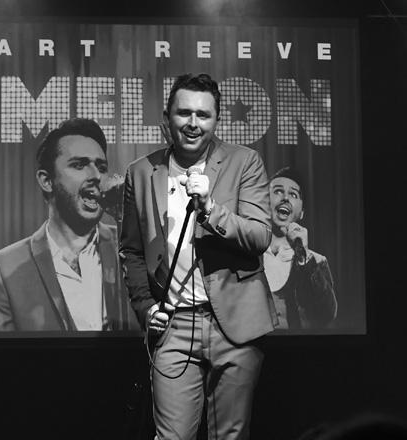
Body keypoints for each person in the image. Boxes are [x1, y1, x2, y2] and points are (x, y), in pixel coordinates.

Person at [119, 73, 277, 439]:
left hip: (235, 324)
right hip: (174, 326)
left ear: (216, 120)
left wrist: (209, 209)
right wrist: (145, 307)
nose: (193, 123)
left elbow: (260, 236)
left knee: (230, 435)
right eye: (184, 113)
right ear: (167, 118)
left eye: (203, 115)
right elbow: (132, 250)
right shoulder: (140, 173)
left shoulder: (244, 162)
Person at [0, 118, 139, 331]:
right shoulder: (5, 267)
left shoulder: (132, 247)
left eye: (101, 167)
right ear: (47, 181)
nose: (96, 176)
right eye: (79, 165)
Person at [264, 166, 337, 330]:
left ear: (302, 212)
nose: (285, 198)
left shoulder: (317, 261)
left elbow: (325, 315)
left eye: (293, 194)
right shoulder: (245, 254)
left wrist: (303, 258)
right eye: (278, 191)